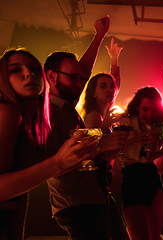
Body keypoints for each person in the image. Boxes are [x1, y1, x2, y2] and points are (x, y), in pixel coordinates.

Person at [44, 16, 129, 240]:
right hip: (76, 203)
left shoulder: (66, 107)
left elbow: (84, 71)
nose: (79, 82)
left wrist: (99, 36)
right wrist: (100, 145)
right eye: (73, 78)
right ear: (51, 77)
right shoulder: (47, 114)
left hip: (95, 195)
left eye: (81, 79)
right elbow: (52, 166)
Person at [0, 48, 99, 240]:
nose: (28, 73)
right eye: (15, 70)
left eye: (34, 69)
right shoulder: (7, 113)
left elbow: (18, 193)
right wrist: (58, 162)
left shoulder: (32, 121)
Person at [75, 38, 129, 240]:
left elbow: (116, 84)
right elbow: (92, 150)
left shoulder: (104, 111)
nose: (110, 90)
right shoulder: (93, 115)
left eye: (110, 88)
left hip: (103, 184)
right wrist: (106, 125)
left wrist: (114, 59)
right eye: (103, 87)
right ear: (93, 92)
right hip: (93, 185)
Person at [119, 86, 163, 240]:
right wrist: (137, 140)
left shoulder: (157, 124)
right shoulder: (125, 121)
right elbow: (116, 150)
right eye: (145, 109)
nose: (150, 114)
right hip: (132, 178)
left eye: (154, 110)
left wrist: (159, 152)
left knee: (155, 237)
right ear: (137, 106)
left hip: (152, 176)